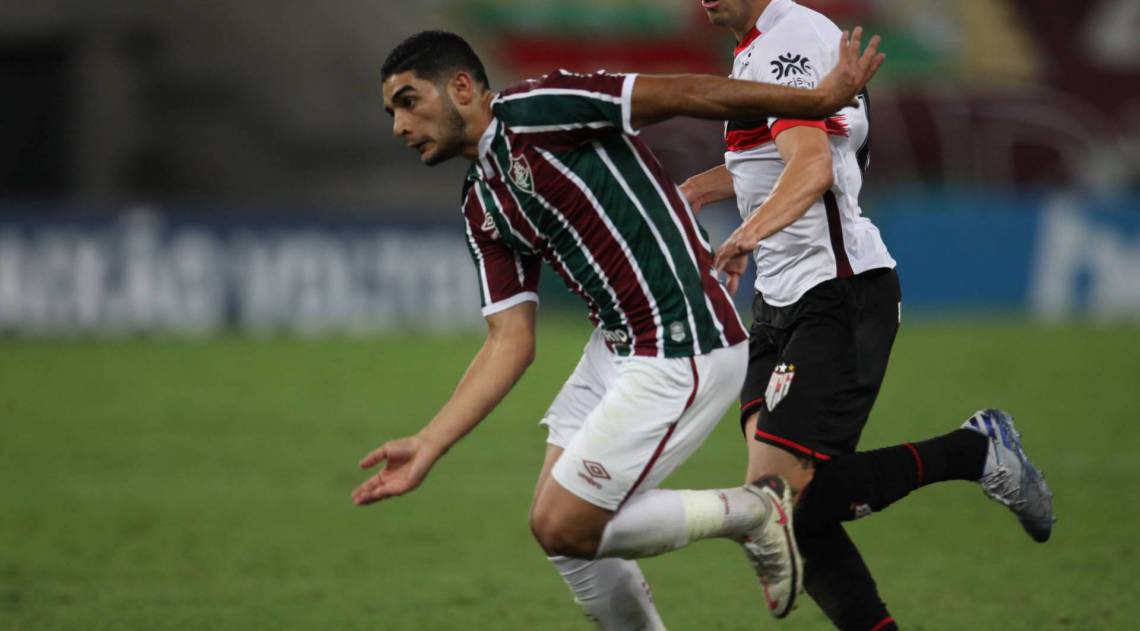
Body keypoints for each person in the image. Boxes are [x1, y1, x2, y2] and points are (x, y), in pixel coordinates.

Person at [353, 29, 884, 629]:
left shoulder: (539, 109)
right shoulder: (482, 200)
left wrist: (814, 101)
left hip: (684, 341)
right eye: (391, 111)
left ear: (461, 87)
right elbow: (510, 340)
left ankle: (755, 513)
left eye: (408, 100)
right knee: (565, 543)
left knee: (562, 523)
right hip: (619, 348)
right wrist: (430, 443)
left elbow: (685, 91)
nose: (399, 125)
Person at [679, 1, 1056, 629]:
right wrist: (694, 192)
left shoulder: (787, 40)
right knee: (790, 511)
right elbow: (765, 159)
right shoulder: (759, 44)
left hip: (837, 291)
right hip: (780, 298)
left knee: (780, 506)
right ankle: (973, 454)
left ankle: (974, 452)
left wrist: (746, 233)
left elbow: (813, 165)